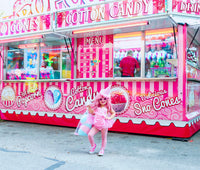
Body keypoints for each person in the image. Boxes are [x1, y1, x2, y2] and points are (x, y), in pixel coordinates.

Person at [87, 86, 116, 156]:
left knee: (104, 137)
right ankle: (93, 145)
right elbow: (92, 112)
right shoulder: (97, 107)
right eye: (101, 99)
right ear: (98, 100)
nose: (103, 100)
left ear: (107, 99)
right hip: (96, 124)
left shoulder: (108, 107)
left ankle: (102, 149)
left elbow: (114, 113)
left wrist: (109, 118)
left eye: (104, 99)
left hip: (104, 124)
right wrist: (89, 107)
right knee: (90, 135)